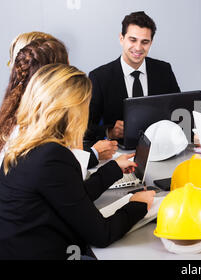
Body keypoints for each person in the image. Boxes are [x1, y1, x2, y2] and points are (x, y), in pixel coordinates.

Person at [0, 64, 156, 259]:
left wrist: (113, 169)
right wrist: (137, 205)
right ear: (72, 111)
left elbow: (72, 198)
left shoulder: (23, 142)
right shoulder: (52, 156)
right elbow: (102, 234)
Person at [2, 33, 118, 169]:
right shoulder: (35, 125)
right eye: (66, 66)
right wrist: (89, 150)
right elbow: (68, 179)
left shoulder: (16, 109)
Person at [86, 11, 180, 143]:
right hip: (119, 152)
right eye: (133, 40)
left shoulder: (164, 70)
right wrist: (109, 132)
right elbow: (86, 127)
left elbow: (179, 111)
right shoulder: (100, 77)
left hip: (159, 147)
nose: (138, 47)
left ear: (151, 43)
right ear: (121, 39)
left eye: (145, 42)